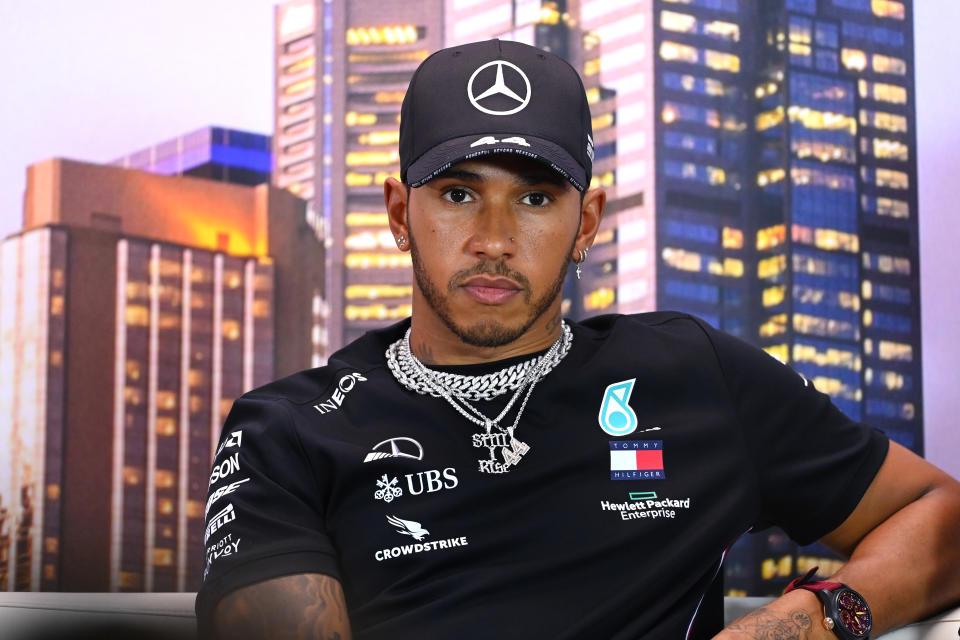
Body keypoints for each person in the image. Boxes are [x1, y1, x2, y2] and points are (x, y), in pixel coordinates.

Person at [196, 39, 960, 640]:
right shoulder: (286, 431)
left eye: (534, 198)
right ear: (400, 214)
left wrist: (808, 622)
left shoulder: (693, 375)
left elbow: (939, 511)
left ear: (586, 224)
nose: (493, 240)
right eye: (459, 194)